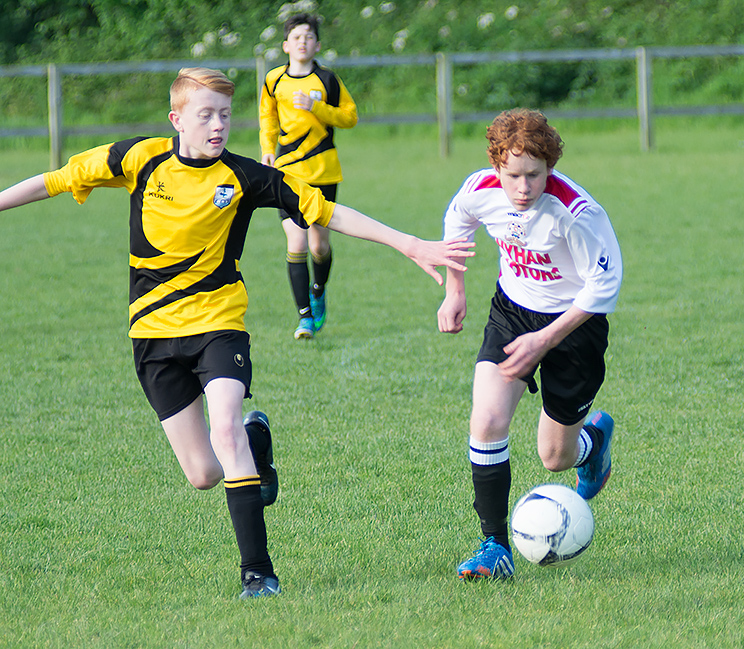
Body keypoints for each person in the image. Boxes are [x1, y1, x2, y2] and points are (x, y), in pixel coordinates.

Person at [0, 67, 473, 599]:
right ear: (177, 119)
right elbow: (57, 180)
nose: (218, 125)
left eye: (225, 115)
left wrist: (409, 243)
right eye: (205, 115)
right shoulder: (139, 158)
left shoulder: (245, 177)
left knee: (224, 430)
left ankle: (258, 573)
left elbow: (327, 212)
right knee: (204, 473)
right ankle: (256, 441)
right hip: (153, 334)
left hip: (219, 326)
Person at [437, 109, 622, 581]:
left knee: (554, 458)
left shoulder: (576, 213)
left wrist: (544, 339)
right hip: (512, 313)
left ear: (549, 168)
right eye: (513, 175)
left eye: (534, 175)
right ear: (496, 166)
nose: (522, 188)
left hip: (574, 327)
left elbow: (604, 286)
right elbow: (457, 224)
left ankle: (593, 443)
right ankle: (494, 547)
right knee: (486, 421)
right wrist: (455, 291)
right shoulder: (480, 189)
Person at [259, 12, 358, 339]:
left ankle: (318, 290)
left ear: (317, 45)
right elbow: (267, 119)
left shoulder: (328, 80)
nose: (302, 42)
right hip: (287, 173)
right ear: (286, 45)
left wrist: (317, 107)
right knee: (297, 241)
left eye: (309, 37)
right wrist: (267, 149)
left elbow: (350, 117)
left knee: (319, 246)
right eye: (296, 37)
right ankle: (304, 318)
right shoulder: (273, 80)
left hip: (323, 171)